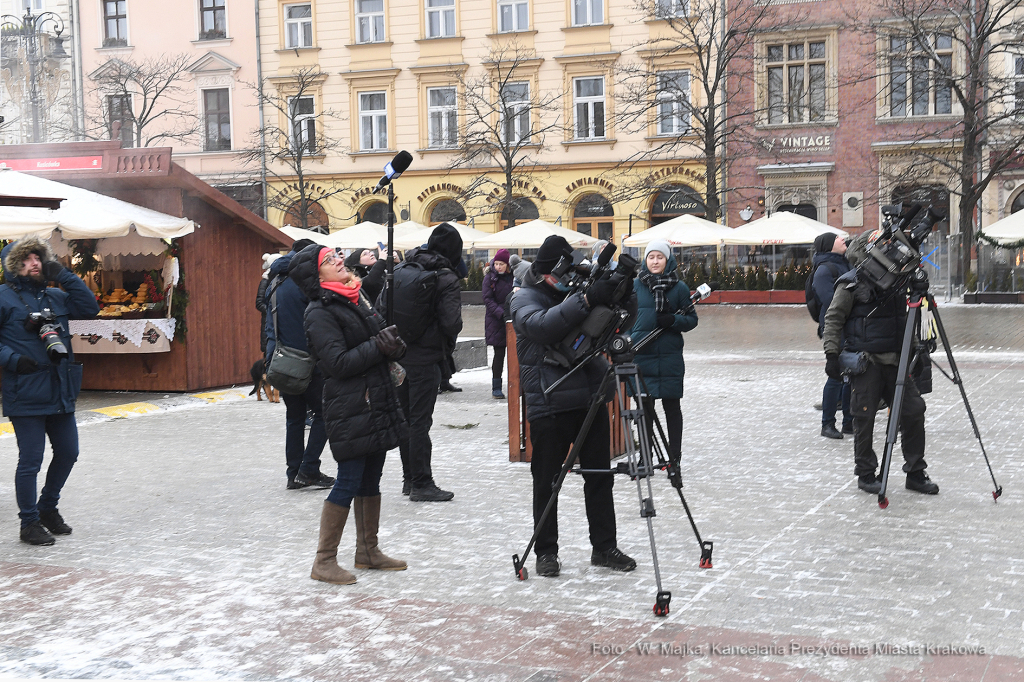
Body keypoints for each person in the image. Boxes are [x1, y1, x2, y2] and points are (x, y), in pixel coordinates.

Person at [509, 235, 637, 578]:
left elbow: (618, 326)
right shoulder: (524, 297)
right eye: (563, 272)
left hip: (589, 397)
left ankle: (604, 547)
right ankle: (545, 552)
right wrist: (584, 299)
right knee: (547, 482)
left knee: (599, 477)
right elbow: (541, 326)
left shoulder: (576, 287)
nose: (569, 278)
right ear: (549, 271)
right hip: (549, 402)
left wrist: (623, 293)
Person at [290, 245, 408, 585]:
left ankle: (368, 552)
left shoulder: (355, 297)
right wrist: (379, 346)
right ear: (317, 276)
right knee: (349, 479)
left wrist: (394, 344)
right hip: (351, 404)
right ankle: (324, 561)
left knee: (372, 476)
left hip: (375, 399)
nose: (340, 261)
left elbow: (382, 338)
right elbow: (337, 363)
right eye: (329, 260)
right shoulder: (319, 311)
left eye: (337, 255)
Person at [0, 236, 99, 545]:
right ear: (14, 265)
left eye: (38, 257)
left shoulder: (55, 296)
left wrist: (64, 275)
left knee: (69, 452)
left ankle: (47, 508)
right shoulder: (3, 297)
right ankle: (28, 522)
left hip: (59, 389)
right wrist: (13, 360)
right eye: (27, 259)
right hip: (25, 389)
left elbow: (90, 308)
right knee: (31, 459)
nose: (35, 263)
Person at [822, 234, 938, 496]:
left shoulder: (897, 281)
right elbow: (833, 318)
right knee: (864, 417)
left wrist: (916, 349)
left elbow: (908, 318)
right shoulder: (850, 283)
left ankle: (915, 472)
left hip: (897, 361)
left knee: (914, 410)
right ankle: (865, 473)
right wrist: (831, 354)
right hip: (867, 362)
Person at [381, 223, 464, 501]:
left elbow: (382, 308)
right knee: (419, 422)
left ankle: (409, 478)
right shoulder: (446, 277)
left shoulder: (403, 268)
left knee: (406, 419)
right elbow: (452, 322)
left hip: (398, 358)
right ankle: (422, 483)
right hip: (426, 359)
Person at [265, 239, 335, 491]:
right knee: (325, 414)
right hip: (308, 361)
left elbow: (267, 322)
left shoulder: (274, 281)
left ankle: (293, 473)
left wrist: (269, 355)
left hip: (282, 361)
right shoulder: (305, 284)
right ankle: (308, 468)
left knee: (294, 418)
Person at [630, 240, 698, 462]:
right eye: (651, 257)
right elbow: (624, 318)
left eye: (660, 257)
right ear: (645, 260)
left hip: (669, 357)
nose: (655, 261)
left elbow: (691, 320)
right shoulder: (634, 286)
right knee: (645, 410)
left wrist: (673, 320)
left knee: (672, 407)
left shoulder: (679, 288)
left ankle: (674, 455)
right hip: (642, 354)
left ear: (668, 260)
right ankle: (645, 456)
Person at [810, 232, 853, 440]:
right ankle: (827, 424)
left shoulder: (845, 263)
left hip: (851, 326)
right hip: (836, 328)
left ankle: (849, 422)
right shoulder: (825, 270)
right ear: (828, 245)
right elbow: (831, 302)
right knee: (836, 376)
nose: (842, 239)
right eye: (837, 238)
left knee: (851, 375)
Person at [482, 249, 515, 399]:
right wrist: (501, 313)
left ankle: (517, 384)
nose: (498, 267)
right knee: (499, 354)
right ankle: (496, 387)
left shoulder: (513, 277)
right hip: (496, 321)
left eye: (501, 264)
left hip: (513, 318)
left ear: (507, 264)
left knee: (516, 354)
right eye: (496, 263)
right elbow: (487, 299)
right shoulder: (490, 278)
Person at [256, 253, 280, 355]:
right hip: (268, 323)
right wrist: (272, 311)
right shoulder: (265, 281)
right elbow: (259, 302)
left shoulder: (280, 279)